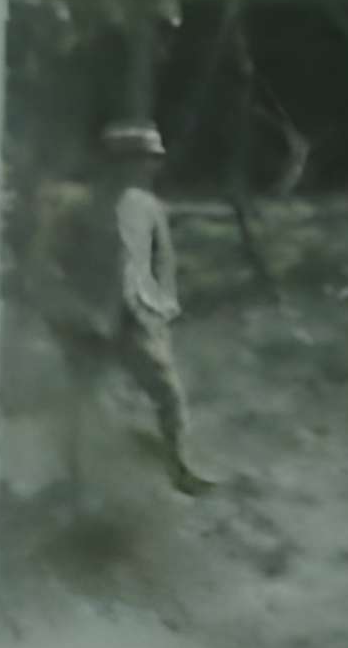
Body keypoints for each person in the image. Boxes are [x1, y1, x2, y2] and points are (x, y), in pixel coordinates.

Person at [28, 120, 215, 497]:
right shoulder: (77, 208)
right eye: (142, 160)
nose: (150, 168)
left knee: (167, 392)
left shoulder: (149, 208)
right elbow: (46, 266)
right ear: (116, 162)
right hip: (85, 320)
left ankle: (178, 466)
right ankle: (75, 479)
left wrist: (162, 307)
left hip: (133, 320)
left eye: (152, 160)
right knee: (82, 401)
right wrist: (73, 310)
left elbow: (162, 261)